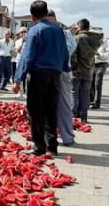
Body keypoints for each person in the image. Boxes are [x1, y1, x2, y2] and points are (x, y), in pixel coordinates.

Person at [13, 0, 70, 156]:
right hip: (55, 75)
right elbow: (65, 53)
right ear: (46, 13)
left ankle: (39, 147)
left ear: (32, 17)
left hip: (39, 75)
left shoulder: (35, 31)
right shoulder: (59, 30)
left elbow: (28, 57)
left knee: (36, 111)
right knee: (51, 110)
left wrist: (18, 78)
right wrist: (64, 68)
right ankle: (52, 146)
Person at [47, 9, 77, 146]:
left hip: (54, 71)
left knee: (51, 105)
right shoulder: (65, 33)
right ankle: (67, 137)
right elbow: (71, 49)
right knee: (63, 104)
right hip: (63, 70)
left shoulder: (42, 30)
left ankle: (49, 138)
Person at [70, 19, 101, 123]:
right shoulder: (95, 39)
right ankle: (84, 117)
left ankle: (73, 116)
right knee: (86, 94)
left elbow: (73, 54)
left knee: (74, 93)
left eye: (77, 27)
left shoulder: (78, 38)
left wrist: (73, 68)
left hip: (77, 70)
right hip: (89, 69)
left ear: (80, 26)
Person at [90, 30, 109, 109]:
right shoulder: (93, 41)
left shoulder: (107, 42)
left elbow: (108, 55)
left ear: (101, 35)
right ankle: (92, 100)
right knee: (91, 82)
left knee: (98, 83)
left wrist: (99, 54)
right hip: (92, 63)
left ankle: (97, 103)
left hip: (102, 64)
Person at [15, 27, 28, 98]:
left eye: (24, 32)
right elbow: (18, 50)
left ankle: (26, 92)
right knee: (20, 78)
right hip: (19, 60)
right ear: (20, 34)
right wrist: (22, 42)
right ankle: (20, 92)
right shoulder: (18, 41)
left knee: (27, 78)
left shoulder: (29, 40)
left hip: (27, 61)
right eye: (22, 32)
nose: (23, 33)